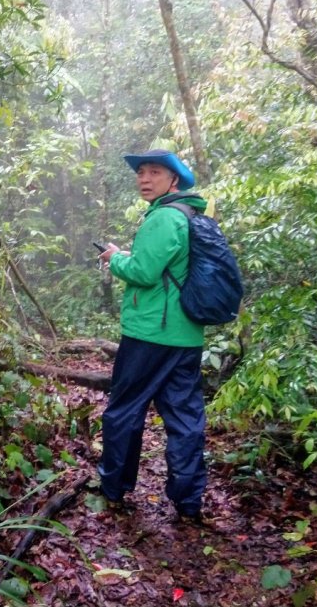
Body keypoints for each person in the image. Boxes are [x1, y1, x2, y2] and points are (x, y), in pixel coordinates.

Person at [96, 148, 207, 524]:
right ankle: (189, 500)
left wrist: (115, 259)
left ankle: (114, 487)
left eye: (154, 172)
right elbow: (164, 267)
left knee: (124, 410)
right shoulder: (189, 214)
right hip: (186, 336)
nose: (144, 178)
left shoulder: (163, 218)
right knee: (185, 418)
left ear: (173, 179)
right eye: (141, 172)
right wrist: (127, 254)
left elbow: (143, 273)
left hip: (149, 335)